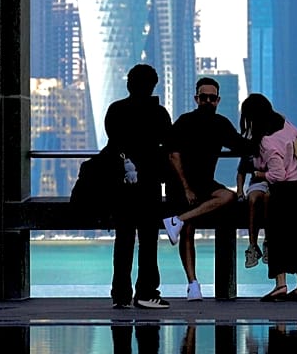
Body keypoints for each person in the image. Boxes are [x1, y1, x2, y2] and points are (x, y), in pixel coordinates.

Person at [160, 77, 250, 301]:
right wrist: (186, 188)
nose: (207, 101)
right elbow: (173, 154)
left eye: (212, 98)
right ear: (196, 98)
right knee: (189, 231)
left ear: (218, 100)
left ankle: (177, 220)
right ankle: (193, 285)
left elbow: (242, 145)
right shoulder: (184, 121)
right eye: (203, 97)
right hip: (180, 184)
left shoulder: (221, 124)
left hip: (205, 183)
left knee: (227, 196)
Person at [105, 64, 173, 309]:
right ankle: (146, 293)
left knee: (123, 240)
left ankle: (120, 294)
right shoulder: (159, 114)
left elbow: (113, 143)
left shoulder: (116, 110)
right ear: (153, 85)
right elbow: (169, 144)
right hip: (150, 185)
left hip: (122, 185)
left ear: (128, 84)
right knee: (148, 242)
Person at [241, 93, 297, 301]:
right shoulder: (285, 124)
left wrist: (259, 174)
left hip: (284, 193)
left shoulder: (267, 141)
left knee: (277, 238)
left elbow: (277, 175)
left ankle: (280, 285)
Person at [236, 150, 269, 269]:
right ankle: (252, 245)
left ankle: (268, 241)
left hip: (277, 181)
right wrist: (240, 192)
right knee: (253, 200)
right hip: (257, 182)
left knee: (269, 199)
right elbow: (241, 172)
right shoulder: (250, 148)